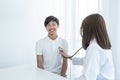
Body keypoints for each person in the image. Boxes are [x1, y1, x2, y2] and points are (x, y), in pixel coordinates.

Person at [59, 13, 115, 80]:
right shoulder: (101, 45)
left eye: (84, 28)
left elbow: (87, 78)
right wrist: (68, 56)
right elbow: (87, 60)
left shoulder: (94, 47)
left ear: (89, 29)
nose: (83, 31)